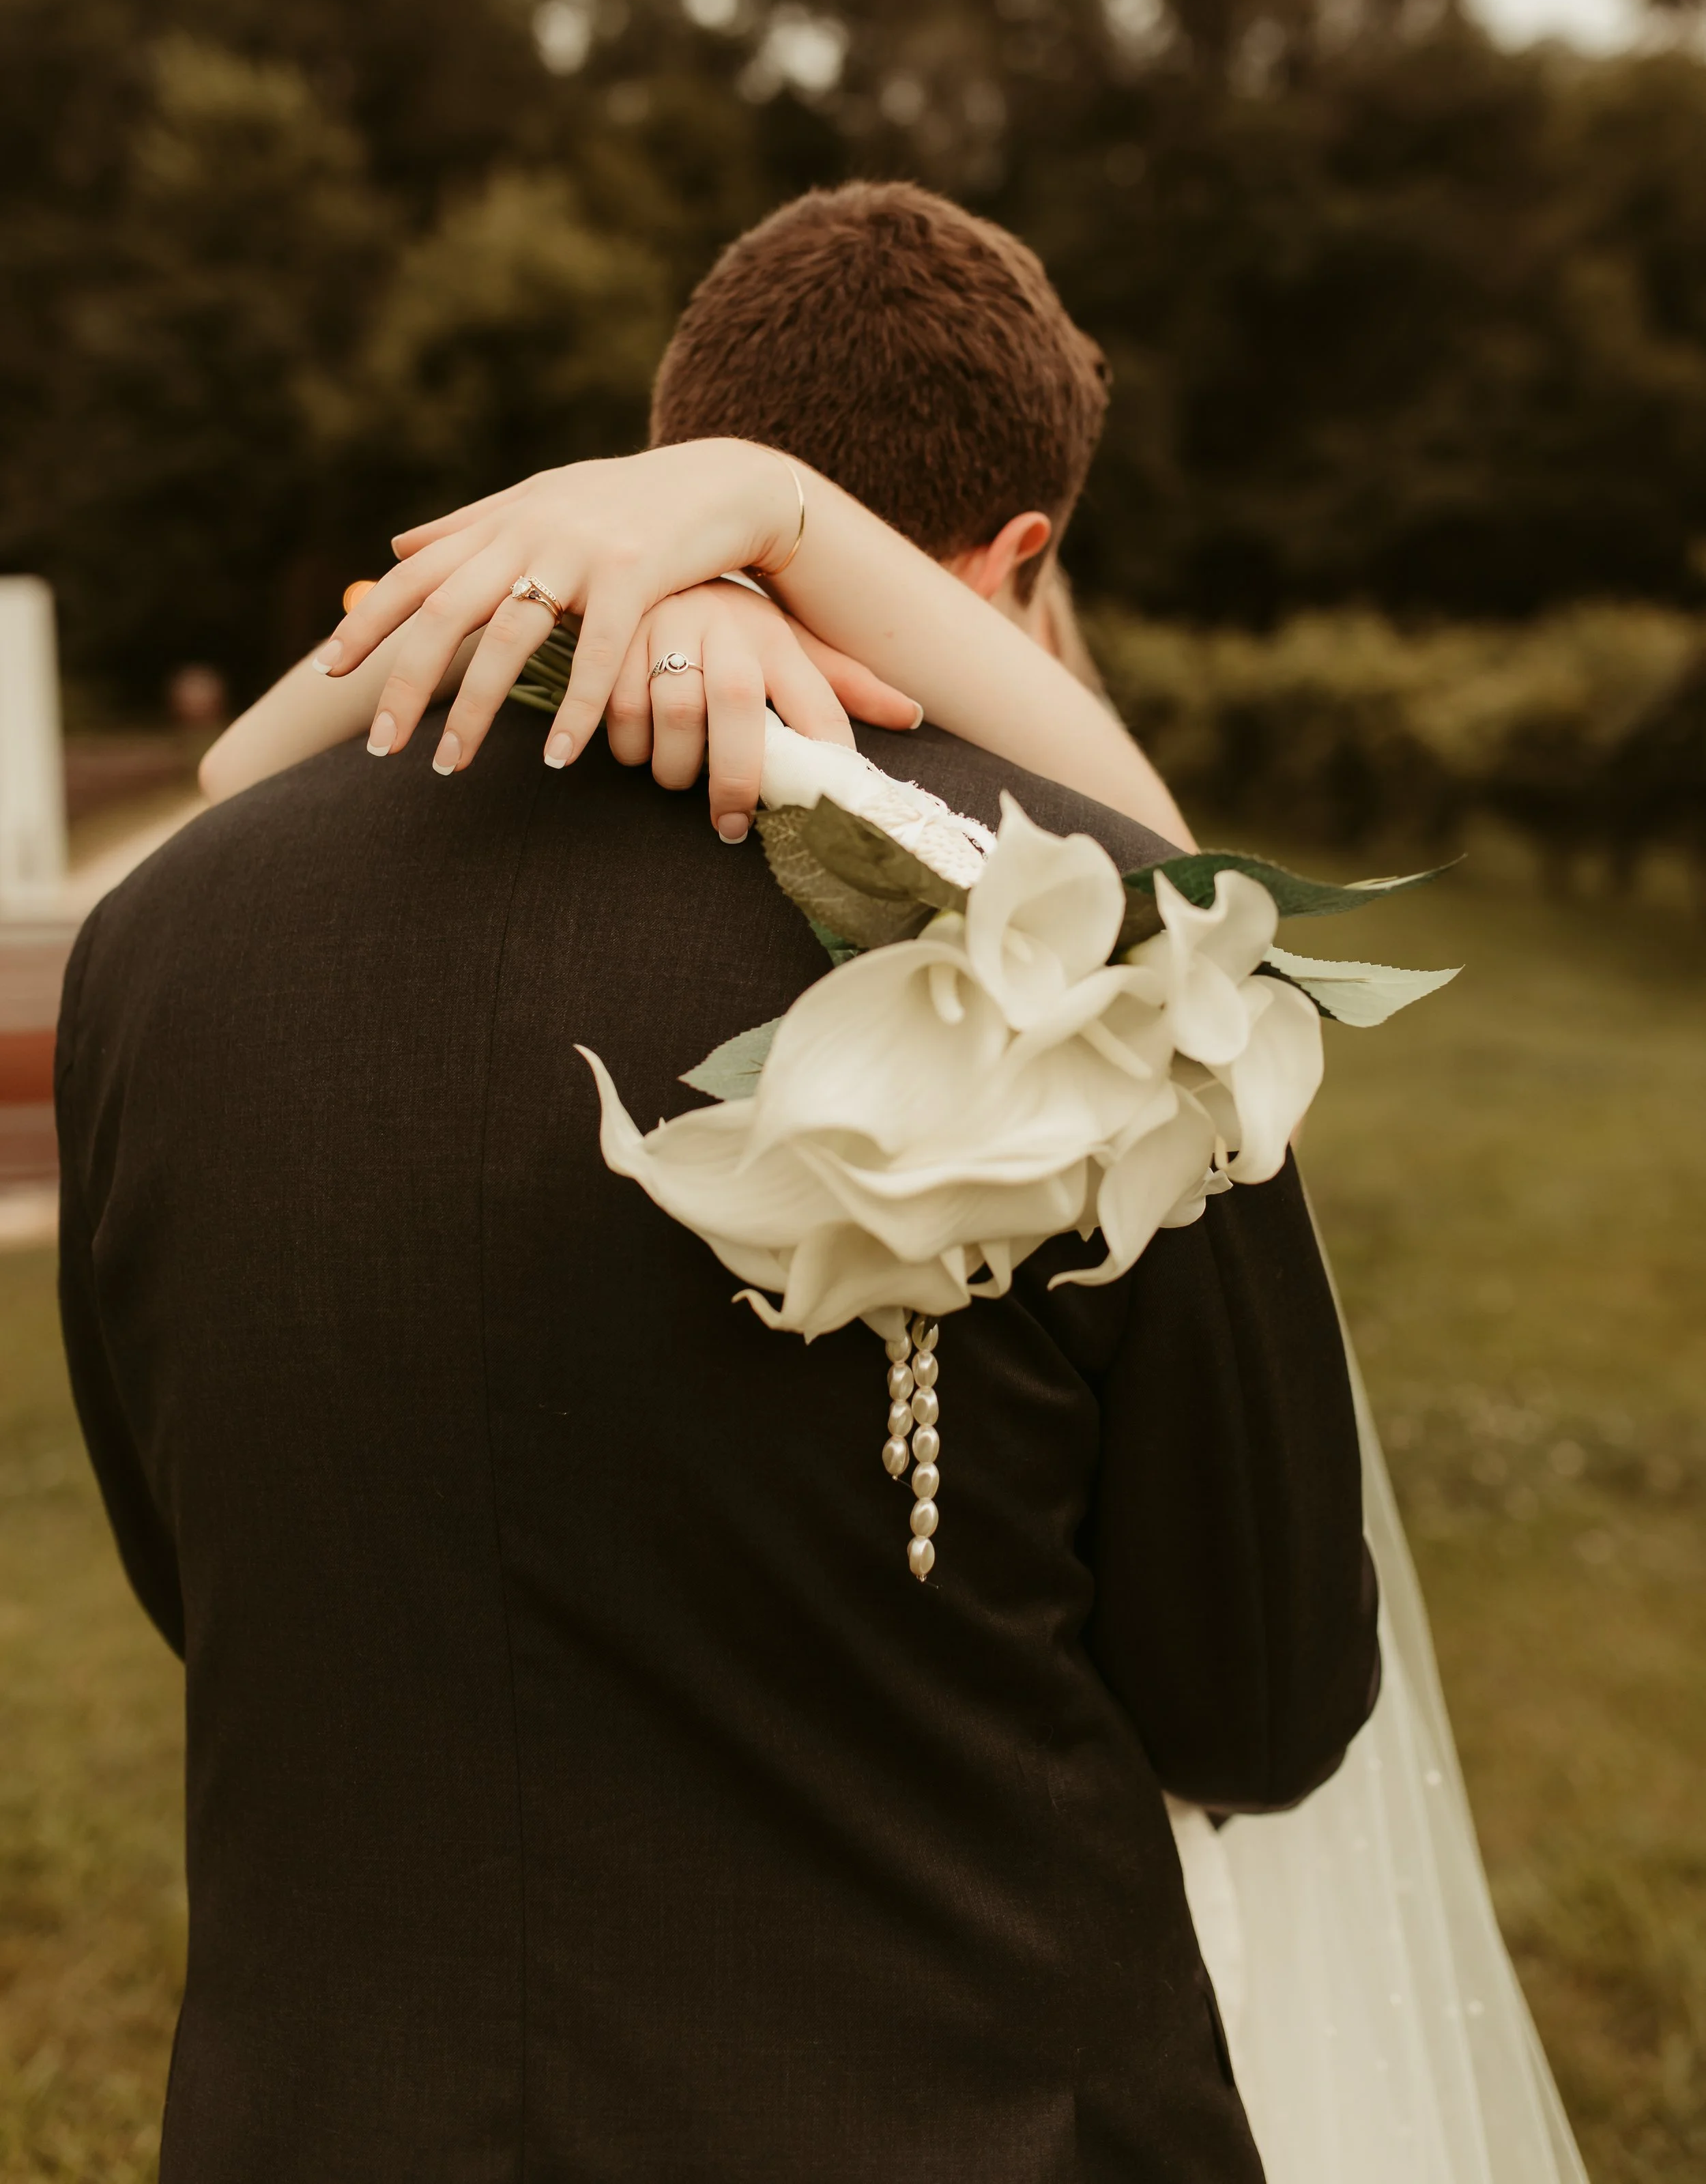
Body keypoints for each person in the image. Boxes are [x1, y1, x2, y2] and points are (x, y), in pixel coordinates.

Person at [56, 184, 1566, 2181]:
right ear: (1021, 551)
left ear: (638, 452)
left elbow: (199, 1572)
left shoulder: (160, 936)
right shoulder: (1086, 953)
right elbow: (1261, 1698)